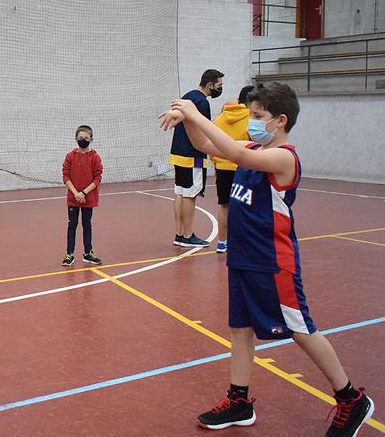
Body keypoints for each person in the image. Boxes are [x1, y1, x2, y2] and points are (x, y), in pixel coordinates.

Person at [159, 84, 374, 436]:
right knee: (240, 328)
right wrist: (187, 120)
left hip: (273, 262)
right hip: (243, 259)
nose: (252, 124)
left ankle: (351, 398)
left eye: (257, 117)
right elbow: (206, 146)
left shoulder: (283, 157)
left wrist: (197, 112)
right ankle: (239, 400)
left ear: (281, 120)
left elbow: (234, 152)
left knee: (301, 329)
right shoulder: (252, 147)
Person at [170, 69, 223, 247]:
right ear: (210, 85)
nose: (220, 88)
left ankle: (179, 234)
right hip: (193, 156)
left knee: (180, 193)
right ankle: (187, 235)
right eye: (219, 85)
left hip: (177, 153)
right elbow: (204, 131)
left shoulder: (187, 96)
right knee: (190, 195)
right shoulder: (202, 102)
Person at [211, 85, 254, 253]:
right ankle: (243, 241)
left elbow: (212, 143)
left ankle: (222, 242)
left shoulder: (220, 118)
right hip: (243, 168)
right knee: (246, 206)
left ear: (239, 99)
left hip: (222, 167)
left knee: (224, 205)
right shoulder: (252, 119)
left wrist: (216, 163)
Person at [61, 125, 103, 267]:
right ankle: (69, 254)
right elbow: (66, 176)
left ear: (91, 139)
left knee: (87, 225)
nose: (83, 140)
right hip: (73, 198)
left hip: (88, 198)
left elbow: (97, 179)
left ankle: (88, 253)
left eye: (86, 138)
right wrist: (76, 193)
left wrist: (84, 193)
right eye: (80, 138)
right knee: (72, 225)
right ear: (75, 139)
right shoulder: (70, 156)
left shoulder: (95, 157)